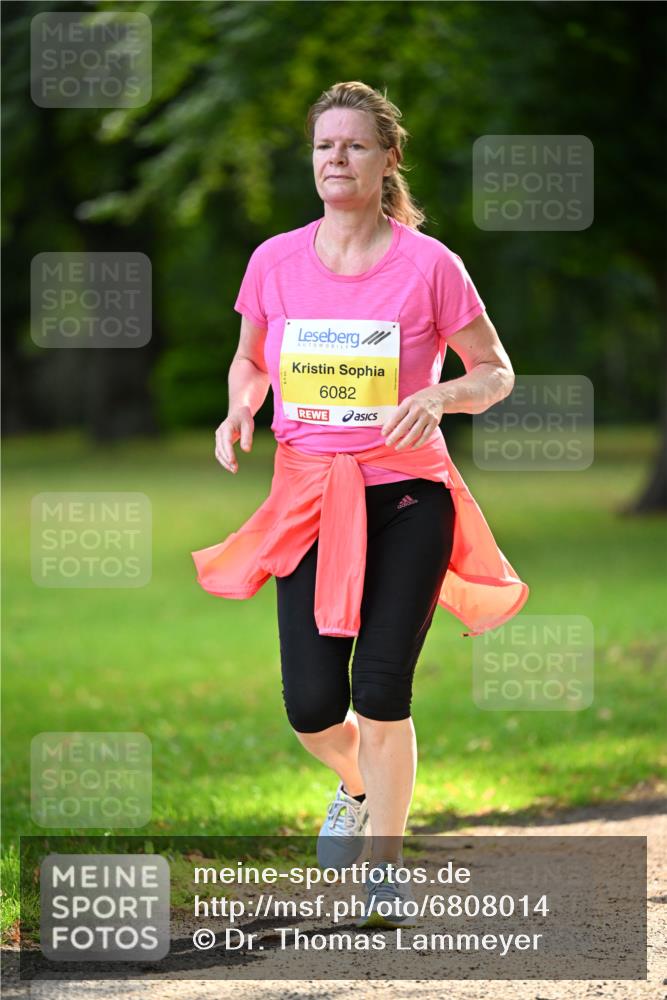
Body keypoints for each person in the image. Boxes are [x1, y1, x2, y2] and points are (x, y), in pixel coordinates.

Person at [191, 81, 528, 929]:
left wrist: (441, 399)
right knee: (311, 705)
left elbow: (495, 371)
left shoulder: (430, 264)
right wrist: (239, 407)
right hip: (308, 498)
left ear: (387, 160)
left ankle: (385, 863)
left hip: (409, 494)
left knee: (381, 688)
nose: (334, 160)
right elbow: (250, 359)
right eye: (322, 147)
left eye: (352, 146)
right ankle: (353, 784)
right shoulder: (274, 260)